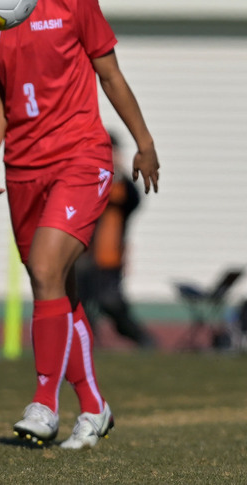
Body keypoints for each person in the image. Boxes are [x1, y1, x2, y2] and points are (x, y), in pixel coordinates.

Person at [0, 0, 160, 449]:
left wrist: (143, 143)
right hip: (23, 167)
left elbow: (111, 76)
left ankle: (44, 403)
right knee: (54, 288)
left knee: (48, 268)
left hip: (81, 156)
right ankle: (94, 407)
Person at [76, 132, 156, 349]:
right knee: (81, 307)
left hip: (110, 259)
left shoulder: (123, 188)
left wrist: (116, 175)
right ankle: (86, 347)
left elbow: (133, 202)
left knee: (112, 303)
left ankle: (144, 340)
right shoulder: (86, 183)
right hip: (84, 259)